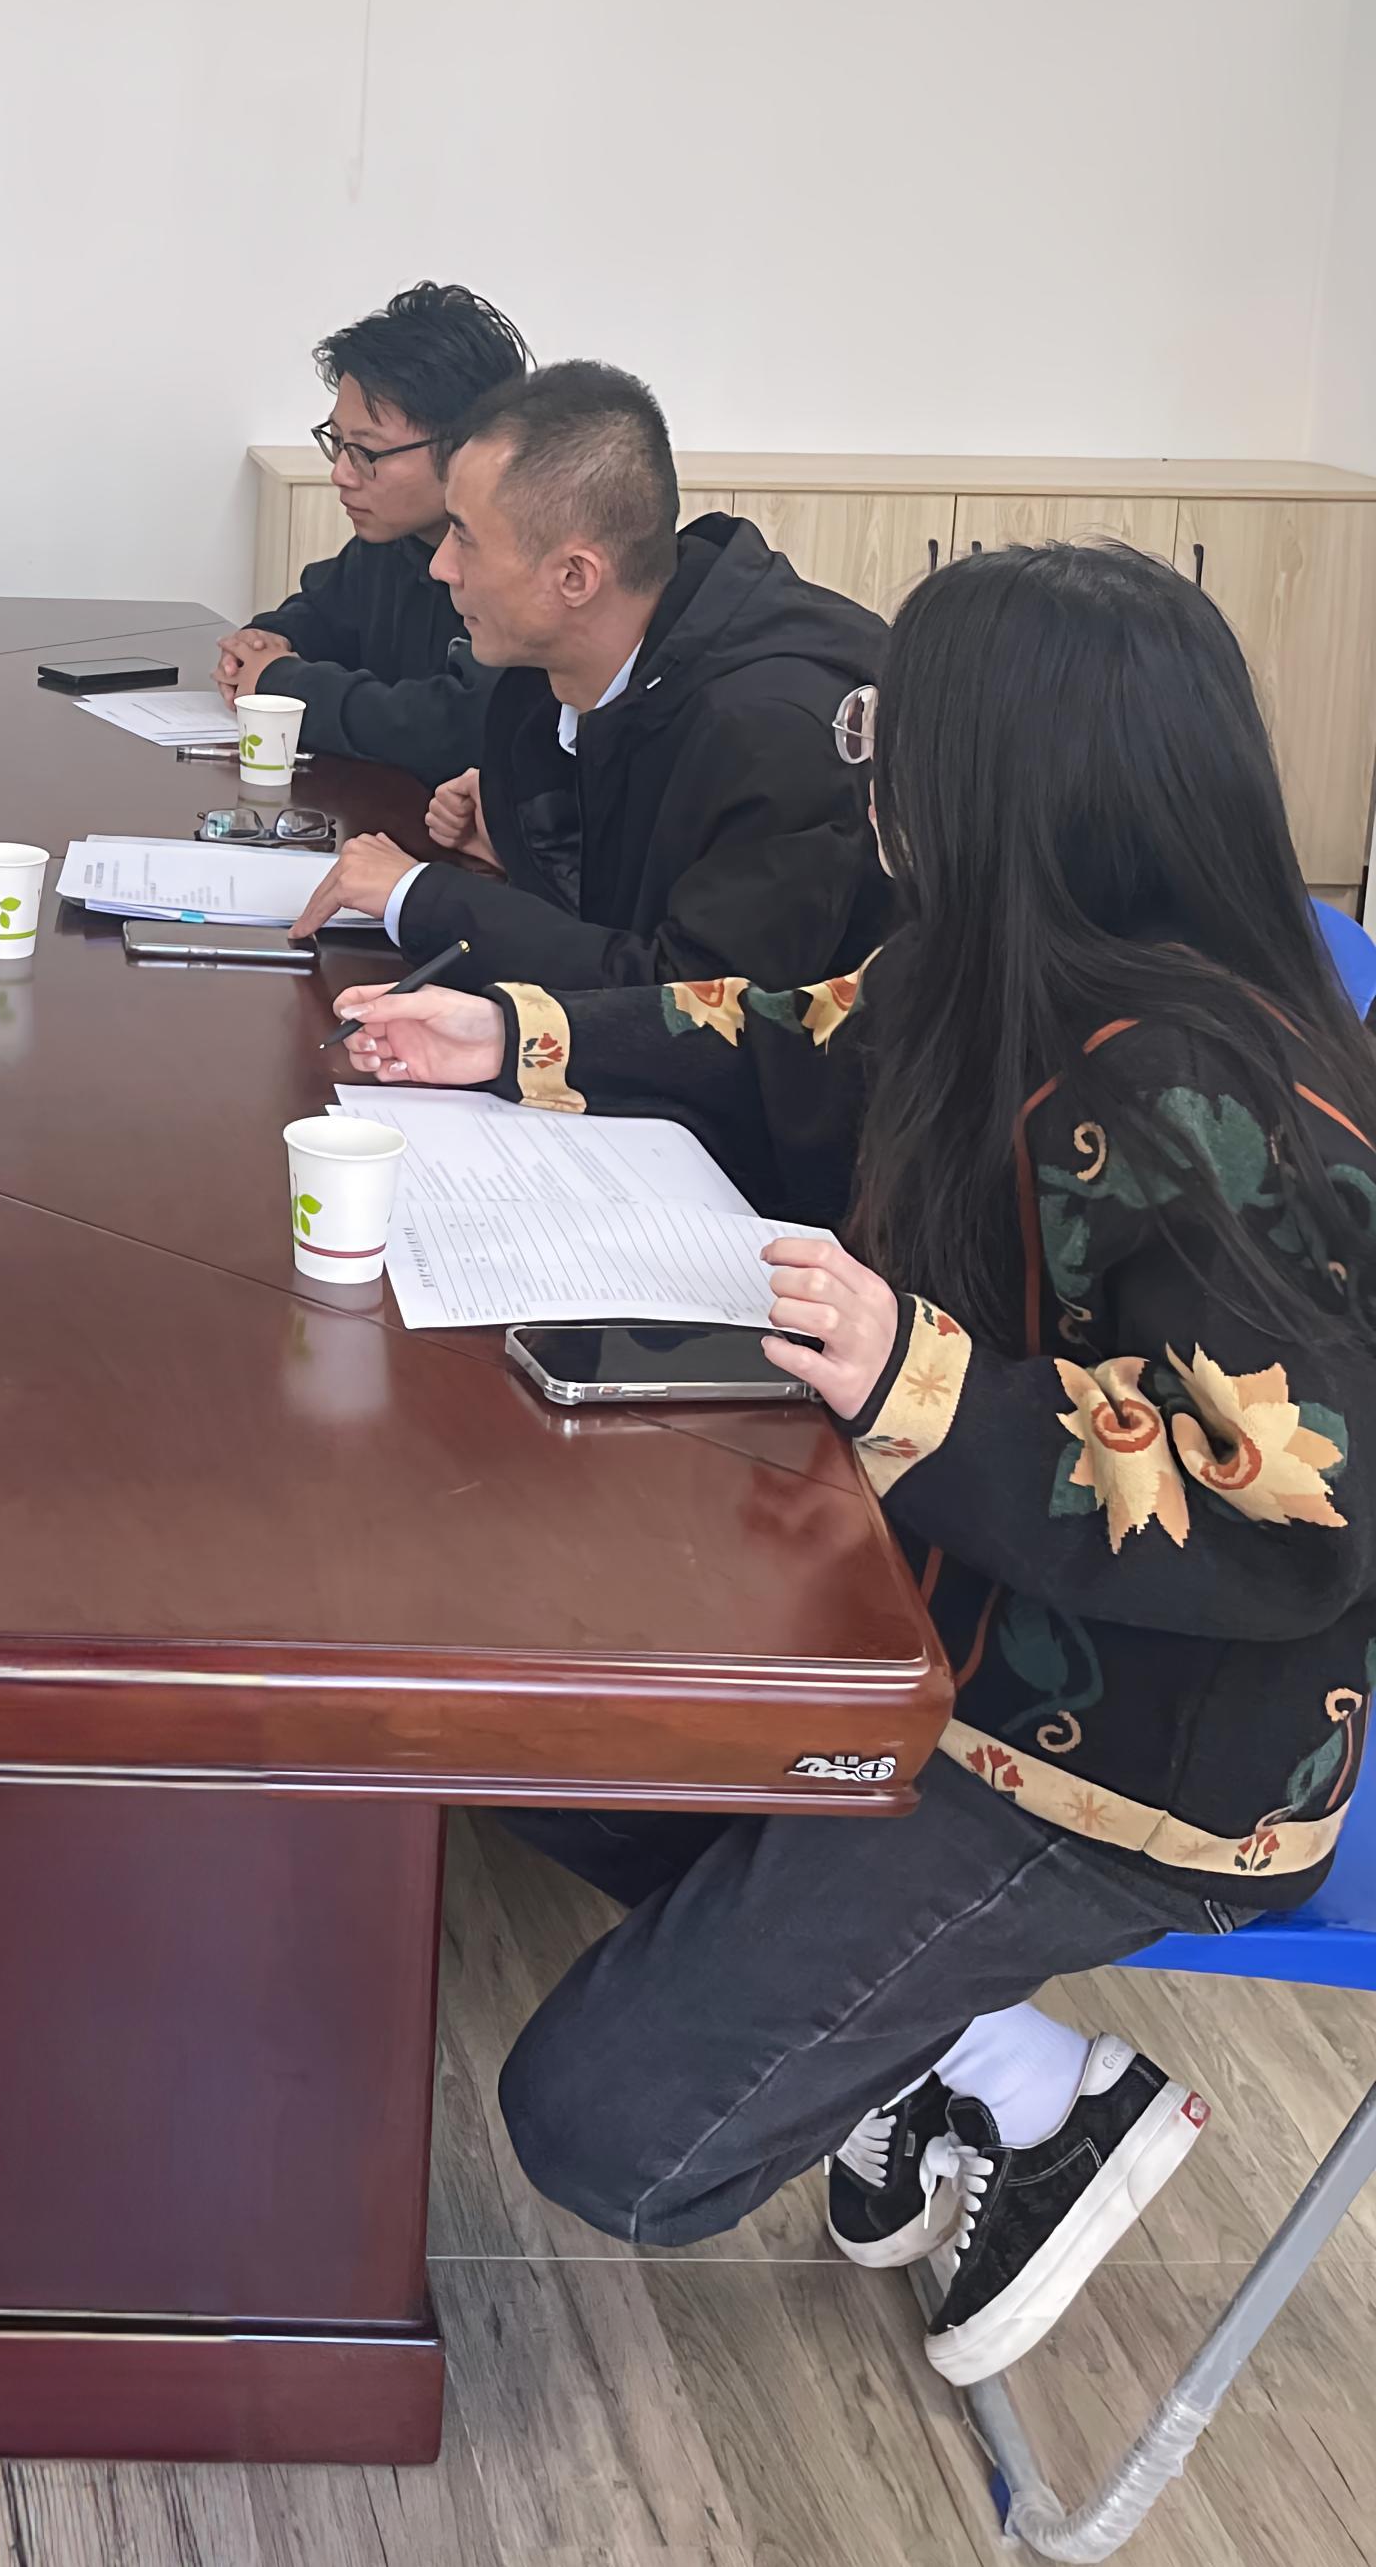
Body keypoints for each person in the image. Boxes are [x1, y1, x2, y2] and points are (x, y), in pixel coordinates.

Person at [327, 540, 1376, 2385]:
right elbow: (779, 1038)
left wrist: (919, 1379)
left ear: (1016, 778)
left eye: (898, 733)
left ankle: (1018, 2088)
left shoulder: (1210, 1099)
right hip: (928, 1601)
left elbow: (1286, 1502)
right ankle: (995, 2074)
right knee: (523, 1727)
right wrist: (515, 1032)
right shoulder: (978, 959)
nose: (865, 764)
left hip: (1124, 1749)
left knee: (601, 2129)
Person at [292, 360, 887, 989]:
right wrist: (525, 844)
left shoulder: (774, 731)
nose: (441, 567)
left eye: (464, 538)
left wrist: (420, 897)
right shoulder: (547, 671)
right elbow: (610, 917)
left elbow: (694, 1002)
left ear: (575, 577)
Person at [214, 281, 529, 780]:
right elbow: (323, 615)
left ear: (467, 447)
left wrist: (284, 684)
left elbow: (454, 724)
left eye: (366, 451)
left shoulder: (524, 563)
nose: (341, 472)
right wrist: (263, 642)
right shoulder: (392, 539)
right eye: (337, 442)